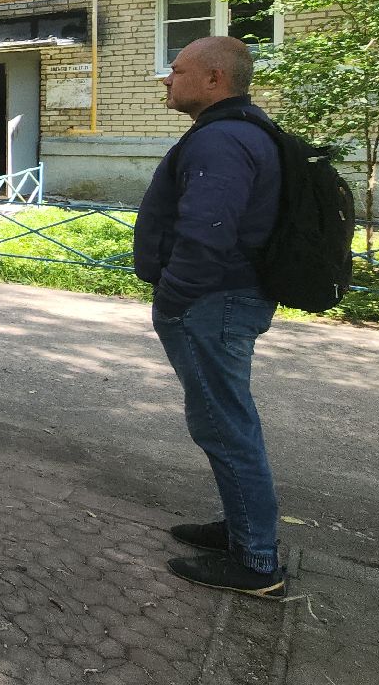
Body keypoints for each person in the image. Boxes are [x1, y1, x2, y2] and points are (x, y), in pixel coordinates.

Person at [133, 35, 286, 599]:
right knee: (224, 422)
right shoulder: (233, 132)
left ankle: (256, 560)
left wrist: (172, 298)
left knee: (224, 426)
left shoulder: (222, 141)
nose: (166, 80)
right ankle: (242, 529)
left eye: (176, 70)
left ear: (215, 79)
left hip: (211, 303)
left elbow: (208, 232)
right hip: (219, 300)